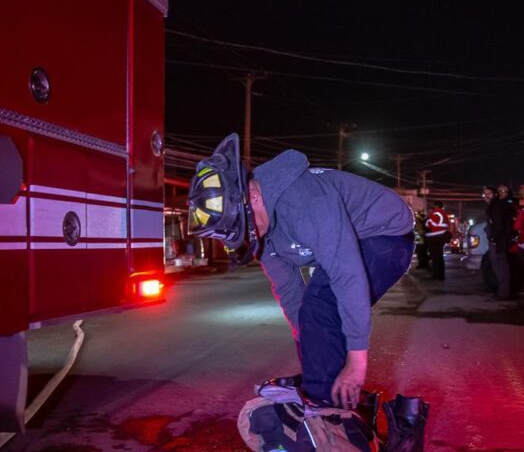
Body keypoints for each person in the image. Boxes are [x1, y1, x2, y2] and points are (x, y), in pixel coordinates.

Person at [187, 135, 415, 410]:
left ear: (253, 196)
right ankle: (331, 396)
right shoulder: (261, 231)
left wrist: (357, 361)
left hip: (386, 235)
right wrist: (309, 347)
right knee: (313, 317)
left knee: (323, 304)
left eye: (246, 225)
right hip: (346, 242)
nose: (251, 234)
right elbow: (289, 292)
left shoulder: (305, 201)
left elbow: (347, 275)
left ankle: (326, 413)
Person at [483, 186, 516, 299]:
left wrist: (494, 238)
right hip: (497, 239)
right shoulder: (494, 205)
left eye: (489, 193)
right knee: (498, 266)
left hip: (498, 241)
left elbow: (499, 224)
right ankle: (503, 292)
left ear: (495, 194)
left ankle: (504, 294)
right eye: (484, 194)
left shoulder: (496, 206)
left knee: (500, 267)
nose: (486, 196)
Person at [424, 201, 450, 281]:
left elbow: (432, 224)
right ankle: (440, 275)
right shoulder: (444, 213)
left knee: (435, 257)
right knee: (439, 257)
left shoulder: (436, 213)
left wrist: (428, 221)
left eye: (433, 205)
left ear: (436, 205)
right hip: (441, 236)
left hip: (435, 236)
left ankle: (436, 275)